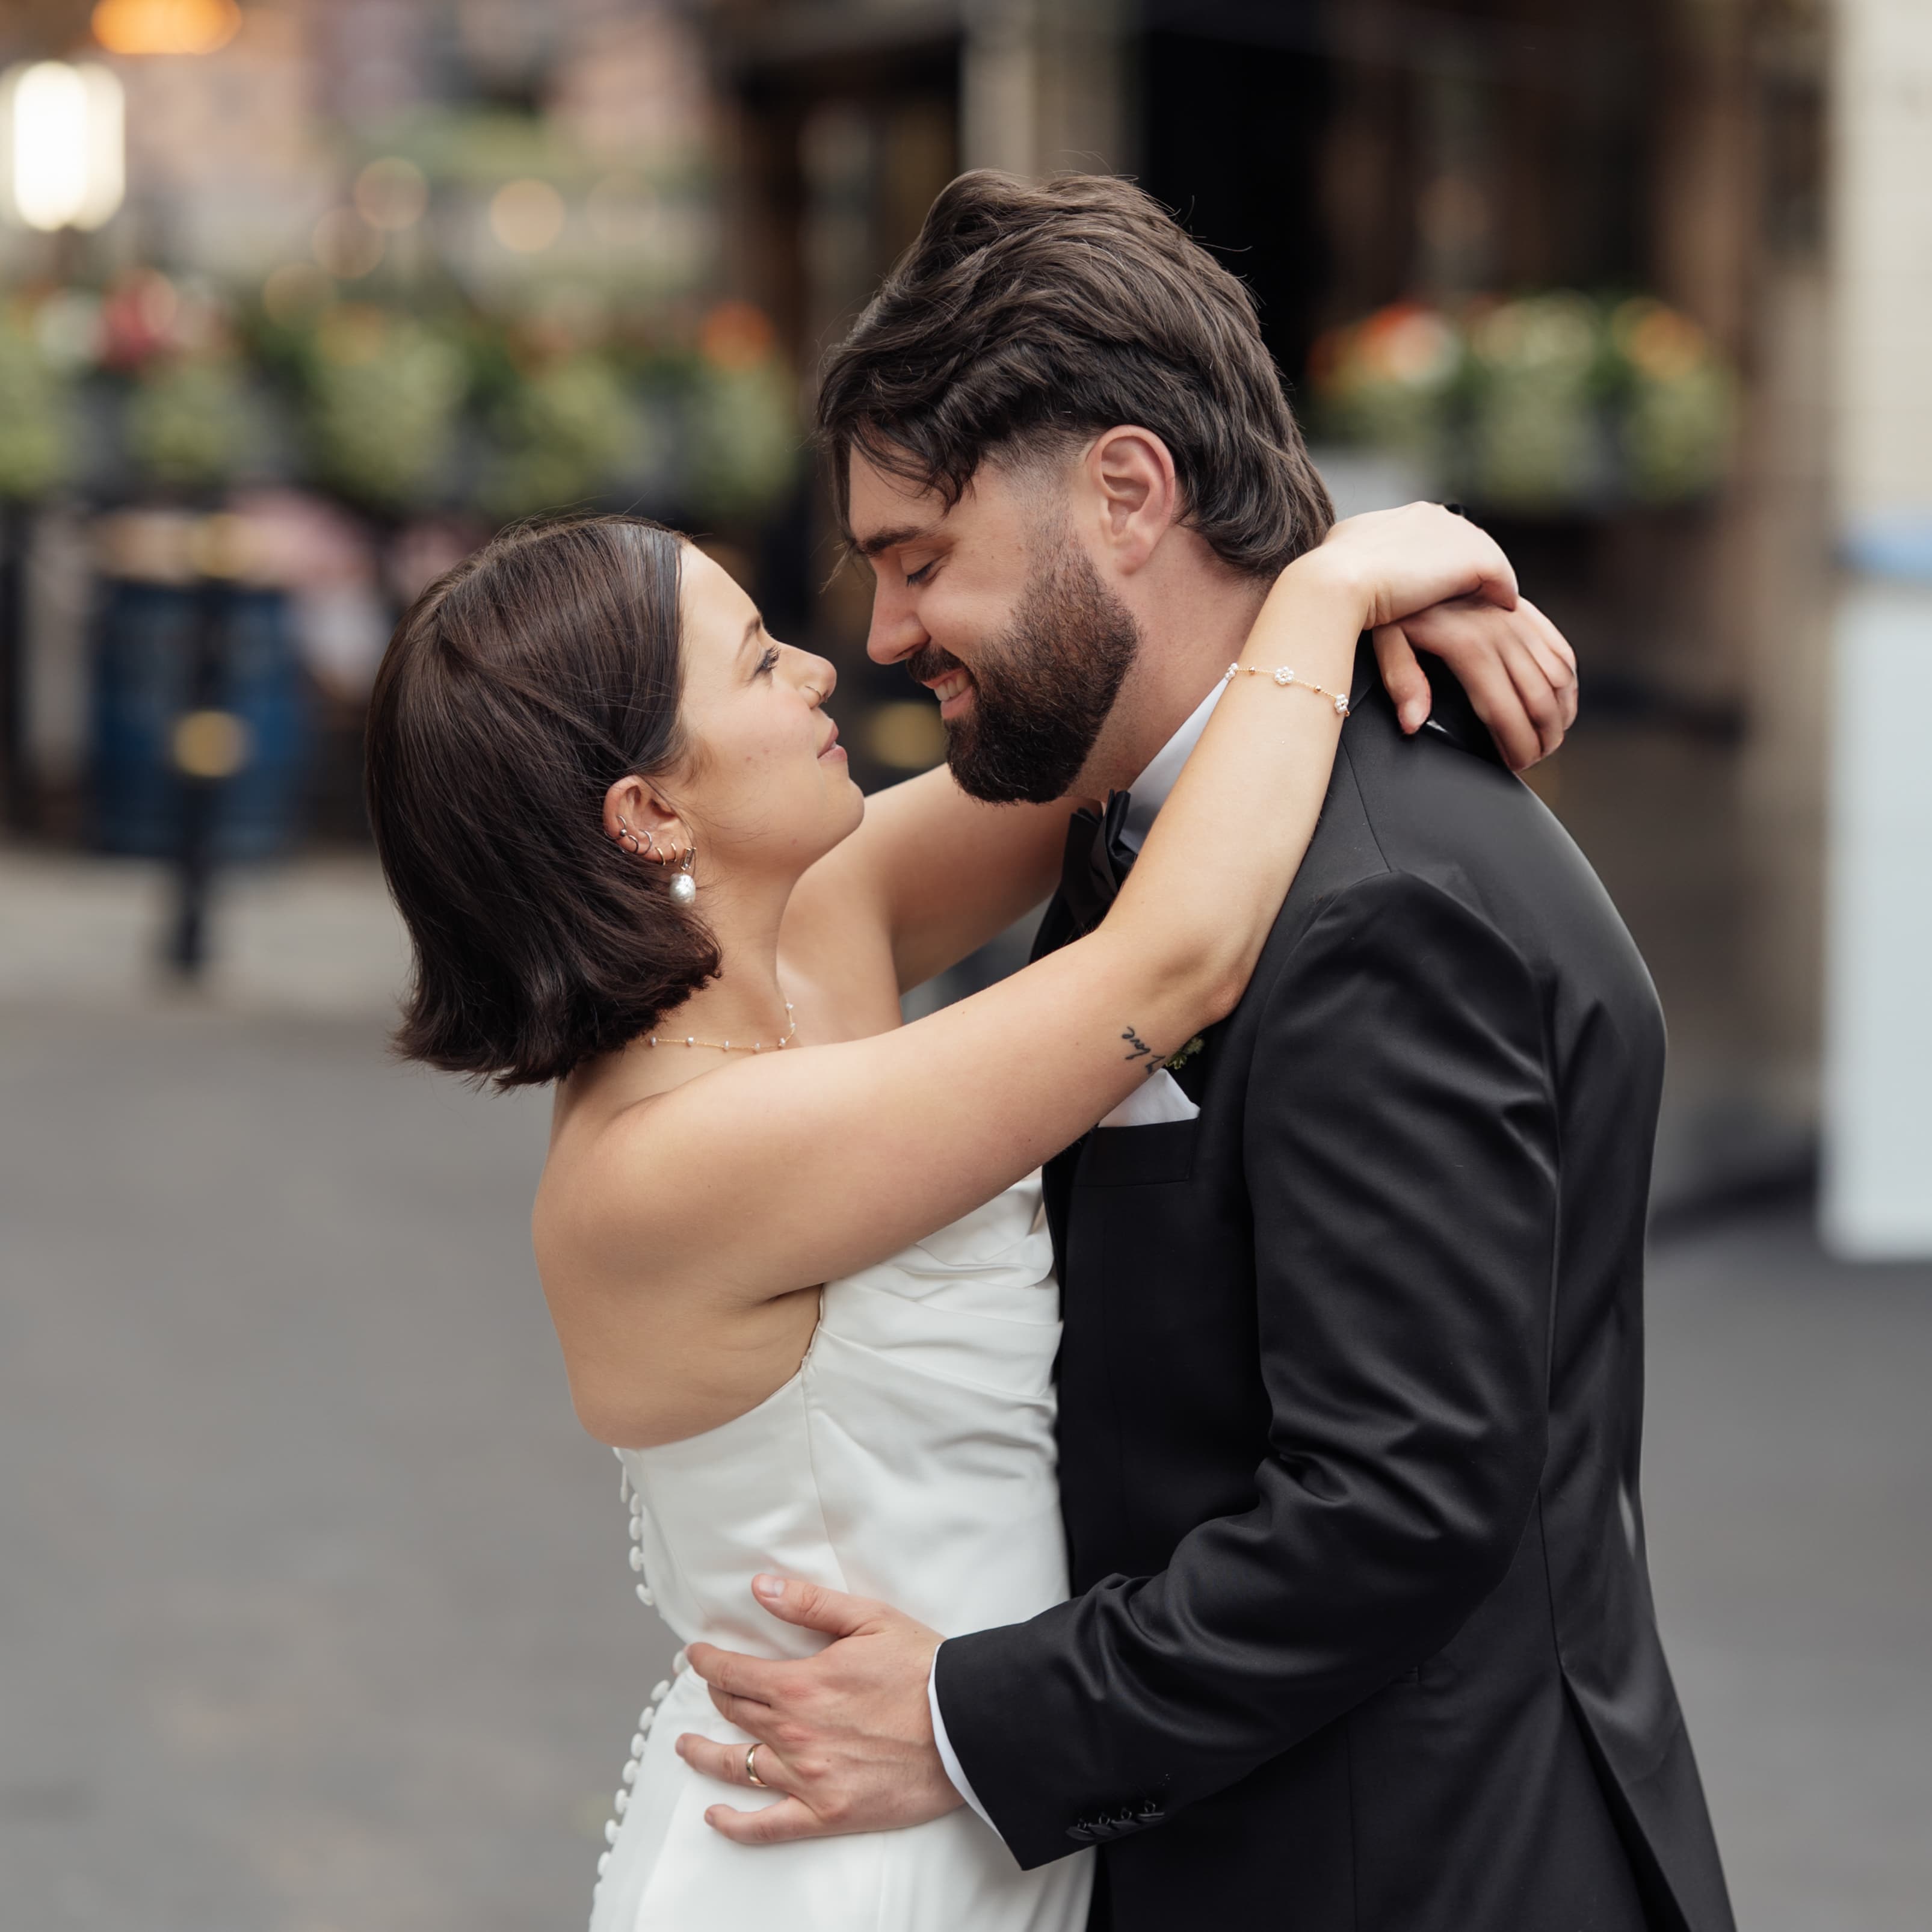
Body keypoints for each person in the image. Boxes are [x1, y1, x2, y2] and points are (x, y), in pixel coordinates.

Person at [676, 174, 1738, 1932]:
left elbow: (1393, 1508)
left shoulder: (1382, 901)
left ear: (1126, 493)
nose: (881, 634)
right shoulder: (1141, 812)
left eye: (920, 559)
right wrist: (1336, 580)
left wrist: (965, 1720)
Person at [364, 478, 1566, 1927]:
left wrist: (1363, 583)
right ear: (650, 810)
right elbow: (1175, 958)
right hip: (847, 1859)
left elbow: (1139, 729)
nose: (826, 667)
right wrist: (1334, 588)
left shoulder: (818, 925)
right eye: (757, 661)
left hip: (985, 1799)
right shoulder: (669, 1162)